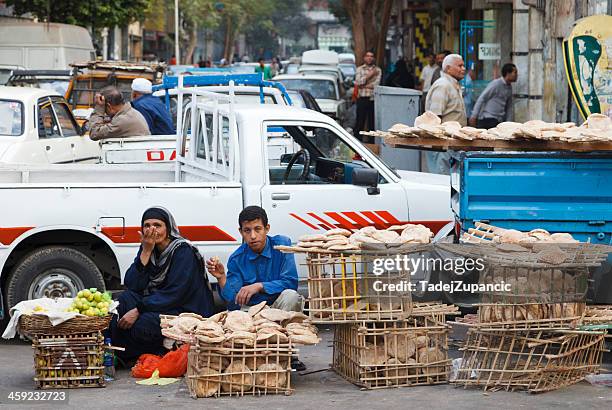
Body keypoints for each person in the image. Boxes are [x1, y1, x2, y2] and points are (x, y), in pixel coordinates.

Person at [109, 207, 215, 361]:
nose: (152, 230)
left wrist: (138, 310)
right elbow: (132, 284)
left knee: (143, 325)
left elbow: (175, 293)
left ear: (168, 228)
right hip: (159, 302)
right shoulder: (148, 246)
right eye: (147, 225)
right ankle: (114, 351)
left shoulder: (183, 251)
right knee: (122, 302)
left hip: (185, 307)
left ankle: (136, 353)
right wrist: (145, 252)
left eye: (157, 225)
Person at [206, 206, 302, 312]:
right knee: (235, 315)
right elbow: (233, 302)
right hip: (251, 310)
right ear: (241, 232)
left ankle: (286, 327)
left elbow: (291, 283)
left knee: (291, 296)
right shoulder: (236, 259)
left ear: (267, 228)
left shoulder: (282, 246)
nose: (253, 236)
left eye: (257, 229)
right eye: (247, 230)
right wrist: (221, 277)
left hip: (278, 307)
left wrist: (259, 286)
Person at [425, 54, 466, 174]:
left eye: (463, 65)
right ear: (448, 68)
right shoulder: (443, 85)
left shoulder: (453, 85)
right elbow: (434, 119)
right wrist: (439, 145)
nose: (463, 68)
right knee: (442, 183)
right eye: (459, 66)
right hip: (442, 146)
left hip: (452, 144)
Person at [469, 63, 518, 129]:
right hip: (488, 119)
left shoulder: (509, 87)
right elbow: (482, 98)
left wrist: (508, 123)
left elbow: (509, 106)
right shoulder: (496, 84)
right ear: (508, 73)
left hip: (499, 121)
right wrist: (474, 116)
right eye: (515, 72)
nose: (517, 75)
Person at [353, 51, 382, 143]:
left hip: (373, 99)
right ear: (364, 58)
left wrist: (364, 84)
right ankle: (357, 143)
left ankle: (371, 145)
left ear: (374, 58)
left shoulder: (378, 70)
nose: (369, 58)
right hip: (361, 98)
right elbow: (358, 82)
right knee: (359, 123)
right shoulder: (359, 69)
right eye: (367, 56)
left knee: (372, 124)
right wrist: (370, 76)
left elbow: (376, 85)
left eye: (371, 56)